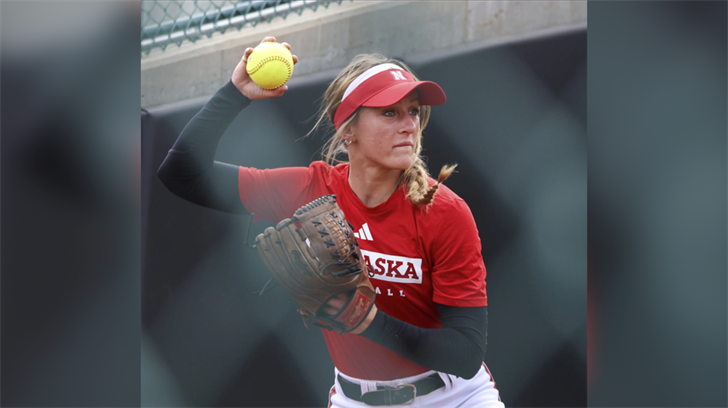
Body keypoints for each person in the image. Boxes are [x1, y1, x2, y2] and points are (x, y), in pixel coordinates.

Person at [158, 36, 504, 407]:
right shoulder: (312, 189)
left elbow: (466, 354)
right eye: (390, 112)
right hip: (355, 398)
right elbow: (181, 174)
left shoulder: (444, 211)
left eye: (414, 111)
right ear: (347, 130)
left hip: (453, 398)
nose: (409, 125)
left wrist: (368, 322)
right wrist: (235, 93)